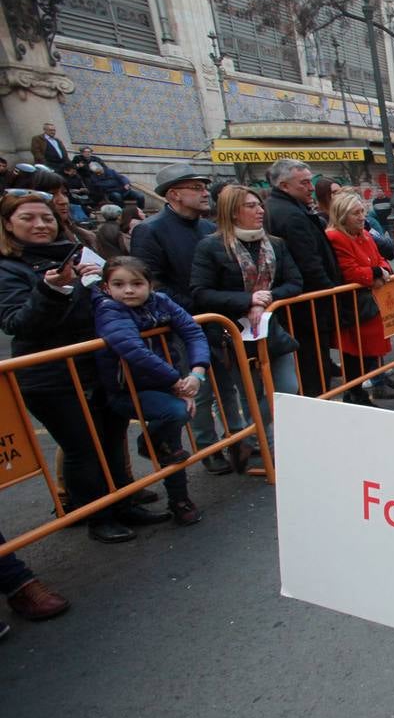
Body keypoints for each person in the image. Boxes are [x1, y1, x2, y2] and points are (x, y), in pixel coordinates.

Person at [0, 192, 167, 543]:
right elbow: (18, 323)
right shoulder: (8, 268)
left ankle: (123, 501)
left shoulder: (74, 255)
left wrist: (104, 287)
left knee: (110, 439)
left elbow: (106, 307)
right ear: (7, 224)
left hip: (97, 368)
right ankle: (98, 515)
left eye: (46, 218)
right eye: (28, 218)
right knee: (82, 448)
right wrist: (52, 289)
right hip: (51, 378)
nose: (40, 225)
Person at [132, 163, 236, 476]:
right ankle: (207, 446)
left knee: (228, 385)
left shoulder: (208, 229)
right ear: (174, 194)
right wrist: (192, 307)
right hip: (180, 327)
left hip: (216, 320)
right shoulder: (149, 230)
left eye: (205, 187)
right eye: (197, 188)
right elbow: (150, 282)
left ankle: (238, 441)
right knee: (199, 392)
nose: (205, 193)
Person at [191, 185, 303, 466]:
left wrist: (266, 298)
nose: (260, 210)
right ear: (232, 212)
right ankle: (260, 445)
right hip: (233, 336)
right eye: (251, 206)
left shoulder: (275, 244)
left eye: (259, 205)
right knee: (251, 395)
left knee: (286, 388)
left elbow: (295, 282)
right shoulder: (211, 246)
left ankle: (266, 441)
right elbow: (201, 292)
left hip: (271, 331)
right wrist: (246, 300)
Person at [93, 256, 209, 525]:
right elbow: (134, 351)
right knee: (175, 415)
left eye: (137, 283)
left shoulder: (160, 302)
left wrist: (197, 372)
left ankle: (179, 500)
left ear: (150, 285)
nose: (129, 290)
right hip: (128, 390)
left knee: (173, 445)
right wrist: (178, 384)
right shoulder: (109, 310)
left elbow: (193, 332)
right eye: (119, 284)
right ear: (107, 287)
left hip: (165, 384)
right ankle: (152, 443)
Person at [266, 158, 340, 396]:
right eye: (304, 183)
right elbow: (309, 263)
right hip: (307, 304)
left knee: (312, 364)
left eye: (311, 182)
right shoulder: (290, 215)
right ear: (284, 185)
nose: (310, 187)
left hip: (302, 302)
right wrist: (330, 292)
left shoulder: (287, 210)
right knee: (312, 366)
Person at [326, 192, 394, 404]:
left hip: (369, 302)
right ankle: (354, 393)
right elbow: (351, 272)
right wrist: (376, 273)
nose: (361, 217)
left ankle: (360, 390)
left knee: (369, 352)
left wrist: (379, 271)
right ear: (342, 215)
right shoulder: (336, 237)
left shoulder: (364, 235)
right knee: (354, 354)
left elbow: (381, 260)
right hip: (353, 306)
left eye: (362, 212)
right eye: (355, 213)